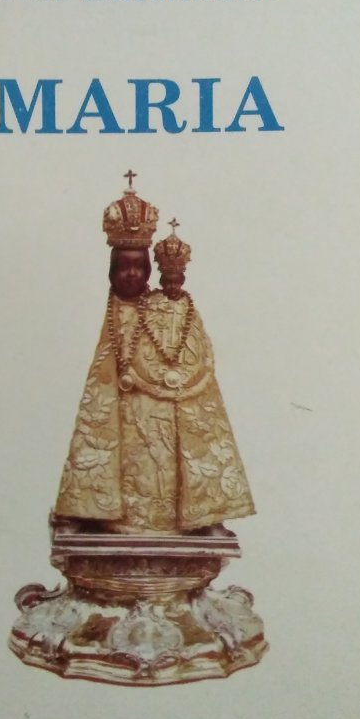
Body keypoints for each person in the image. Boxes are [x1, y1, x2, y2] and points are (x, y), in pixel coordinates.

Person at [54, 179, 255, 534]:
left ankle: (198, 516)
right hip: (126, 410)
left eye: (138, 266)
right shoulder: (114, 312)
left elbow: (189, 354)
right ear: (111, 269)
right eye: (123, 266)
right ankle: (96, 512)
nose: (131, 274)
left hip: (170, 410)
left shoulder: (172, 308)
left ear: (150, 269)